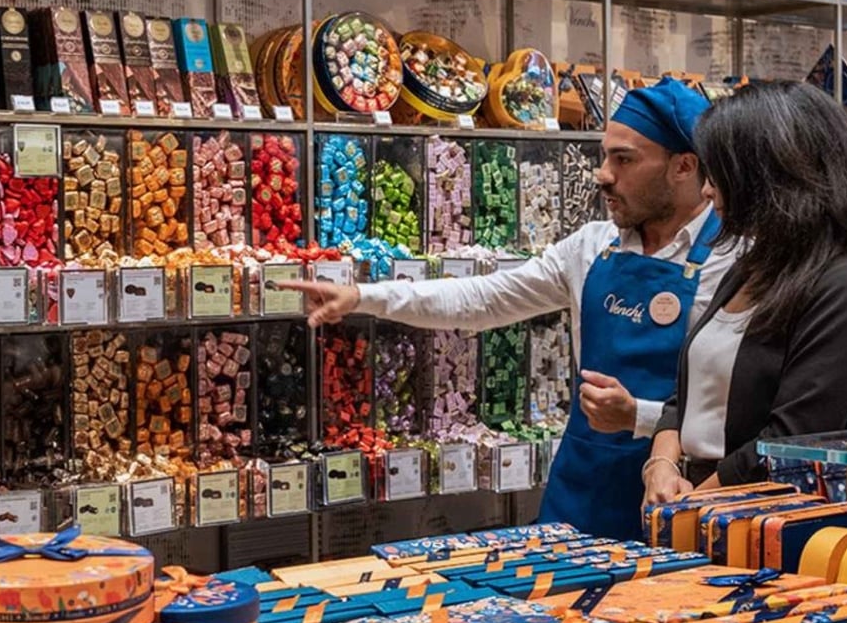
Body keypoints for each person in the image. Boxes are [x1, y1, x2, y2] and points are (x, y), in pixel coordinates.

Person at [282, 78, 737, 540]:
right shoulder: (591, 248)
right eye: (604, 157)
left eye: (624, 159)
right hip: (578, 491)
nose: (602, 174)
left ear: (683, 166)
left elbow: (741, 417)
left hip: (676, 498)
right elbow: (485, 298)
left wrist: (638, 416)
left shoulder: (732, 262)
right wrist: (365, 297)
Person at [644, 81, 847, 501]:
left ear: (769, 175)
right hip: (707, 503)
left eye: (721, 173)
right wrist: (661, 464)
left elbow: (790, 442)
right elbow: (689, 392)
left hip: (774, 516)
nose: (707, 190)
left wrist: (689, 508)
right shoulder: (752, 266)